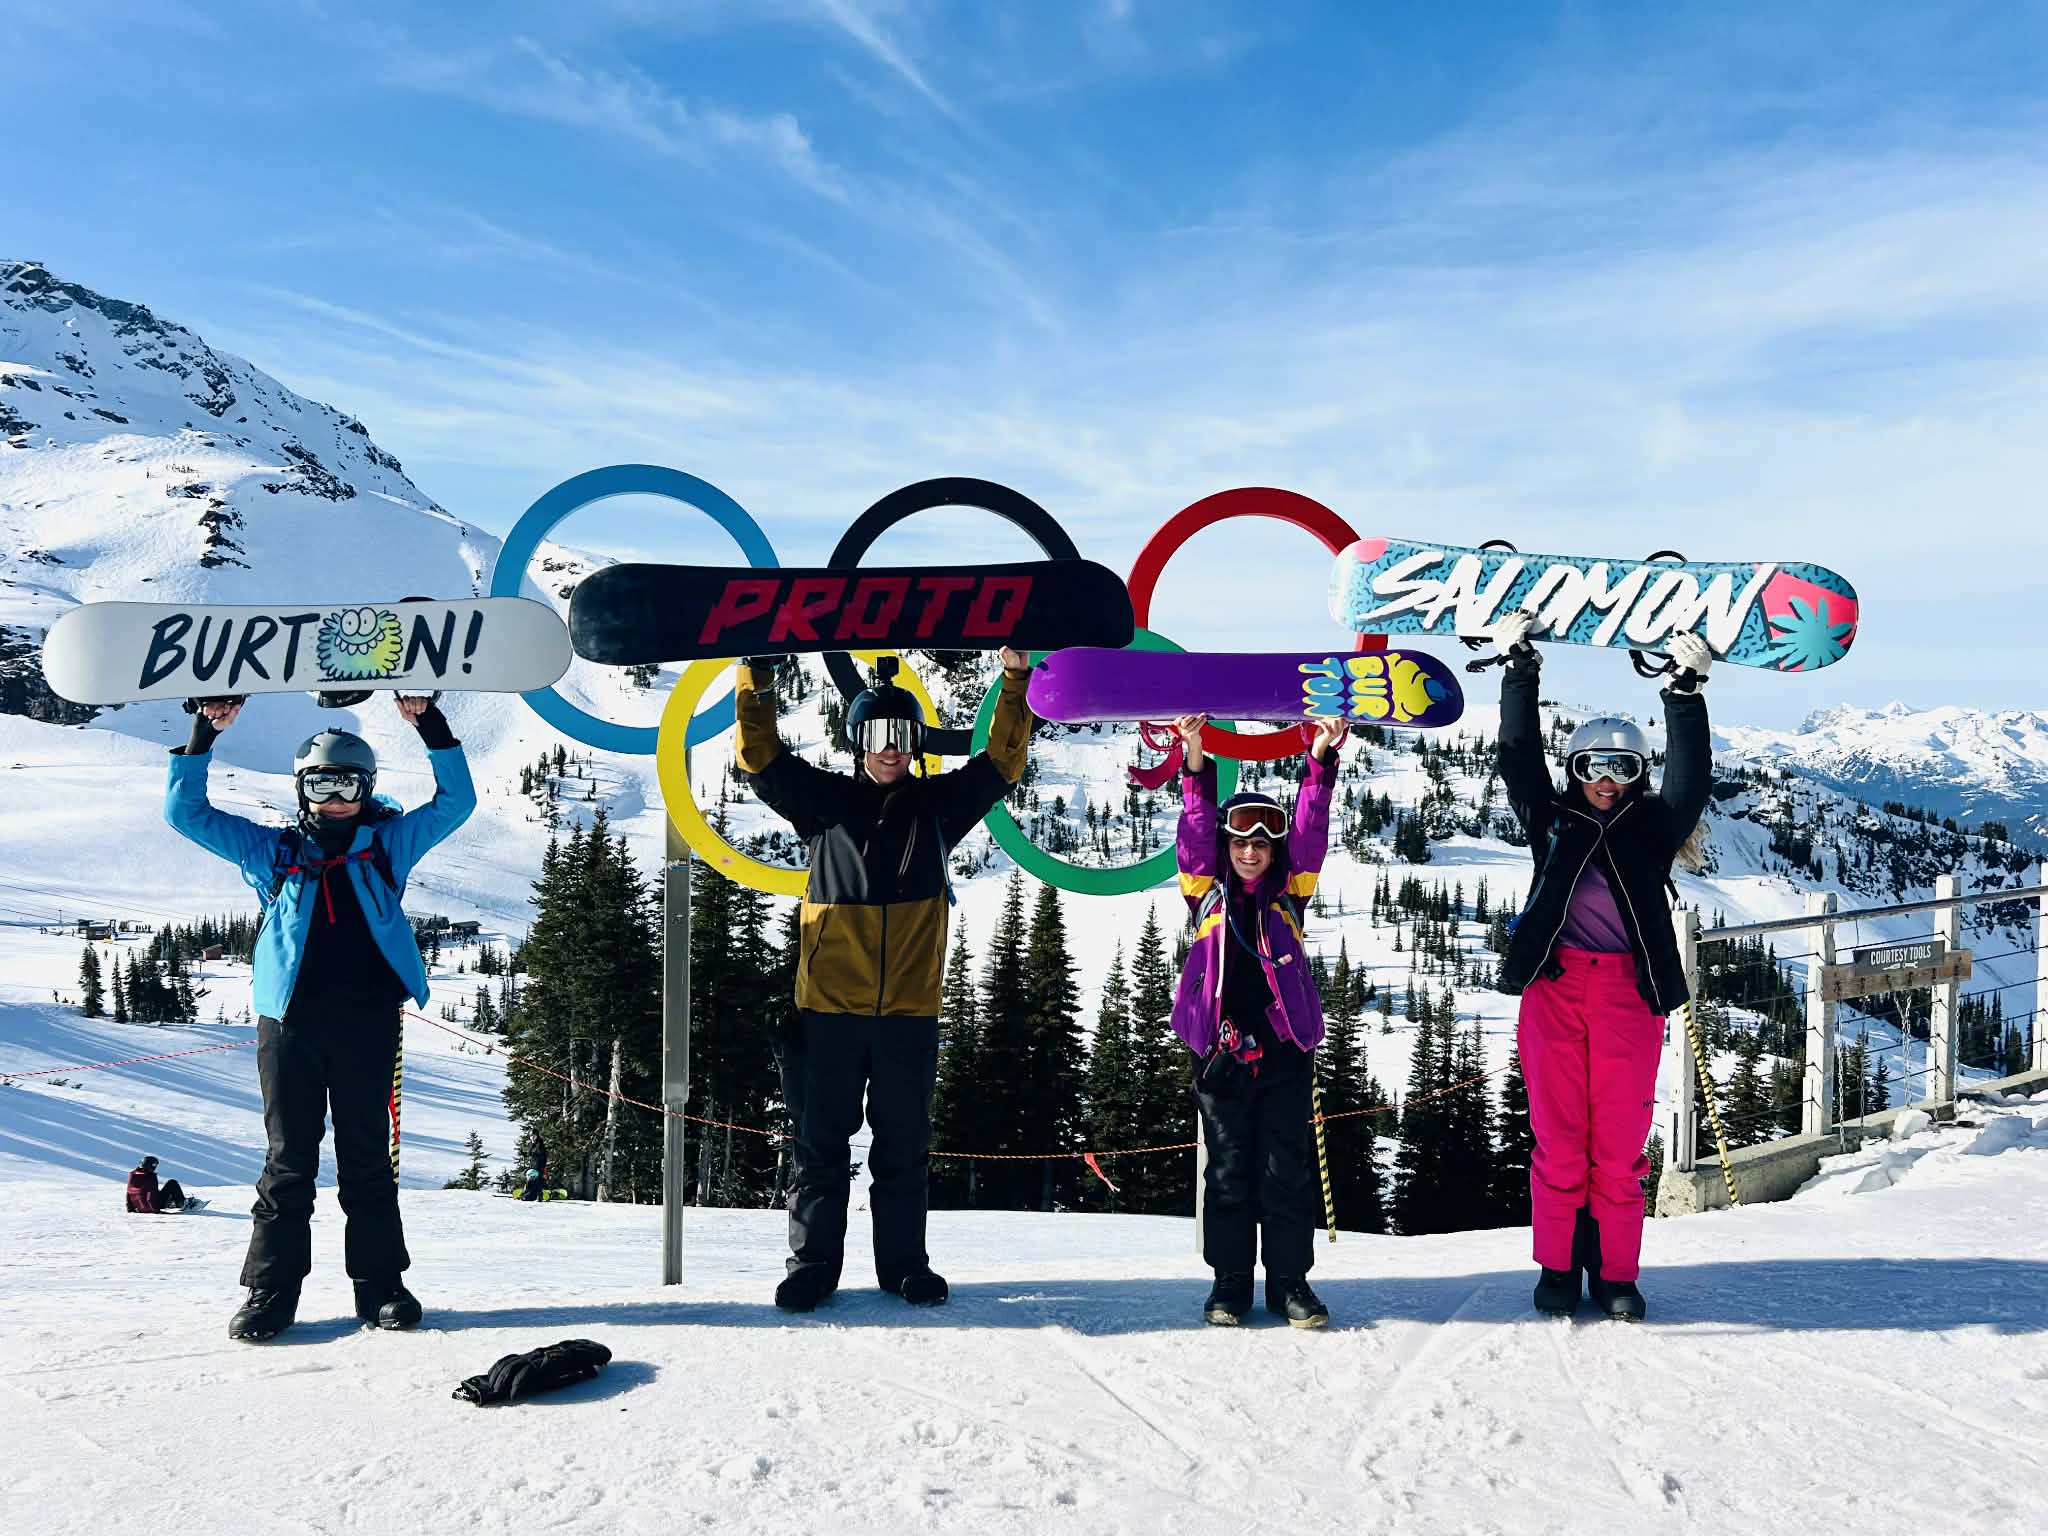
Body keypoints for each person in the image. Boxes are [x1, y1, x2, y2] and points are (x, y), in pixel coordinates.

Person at [165, 694, 476, 1341]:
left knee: (367, 1159)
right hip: (291, 1027)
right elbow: (185, 812)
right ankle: (270, 1294)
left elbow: (456, 802)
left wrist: (429, 722)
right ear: (302, 789)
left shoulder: (388, 845)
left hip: (367, 1024)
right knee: (289, 1162)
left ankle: (380, 1287)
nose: (335, 798)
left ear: (367, 788)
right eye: (321, 784)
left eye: (348, 784)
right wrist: (205, 733)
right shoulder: (274, 853)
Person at [735, 649, 1036, 1312]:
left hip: (907, 1013)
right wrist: (755, 677)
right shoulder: (824, 803)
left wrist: (1014, 680)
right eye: (875, 736)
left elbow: (1003, 761)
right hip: (829, 1012)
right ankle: (812, 1266)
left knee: (903, 1149)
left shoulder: (938, 808)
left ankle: (904, 1266)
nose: (889, 750)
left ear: (915, 744)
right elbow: (759, 758)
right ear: (857, 741)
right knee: (819, 1147)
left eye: (900, 737)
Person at [1491, 615, 1713, 1322]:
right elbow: (1517, 757)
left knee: (1617, 1150)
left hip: (1627, 993)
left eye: (1622, 768)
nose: (1607, 781)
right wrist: (1519, 668)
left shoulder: (1655, 827)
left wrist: (1684, 693)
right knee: (1560, 1144)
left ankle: (1615, 1274)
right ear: (1574, 771)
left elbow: (1691, 780)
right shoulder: (1551, 818)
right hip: (1555, 990)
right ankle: (1558, 1268)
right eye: (1592, 767)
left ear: (1639, 774)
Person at [1170, 712, 1346, 1328]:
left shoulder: (1290, 892)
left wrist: (1319, 759)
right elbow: (1193, 830)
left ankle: (1290, 1283)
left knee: (1284, 1167)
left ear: (1273, 851)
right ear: (1227, 846)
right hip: (1219, 1053)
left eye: (1261, 844)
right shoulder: (1204, 889)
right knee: (1227, 1168)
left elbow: (1311, 828)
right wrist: (1194, 755)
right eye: (1239, 842)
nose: (1249, 852)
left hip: (1284, 1052)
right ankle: (1230, 1283)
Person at [126, 1154, 191, 1213]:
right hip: (151, 1207)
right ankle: (182, 1204)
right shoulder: (150, 1177)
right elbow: (150, 1197)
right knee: (172, 1183)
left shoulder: (133, 1175)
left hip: (140, 1208)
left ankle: (171, 1202)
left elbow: (129, 1193)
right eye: (155, 1165)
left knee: (157, 1192)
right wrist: (156, 1211)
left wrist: (130, 1209)